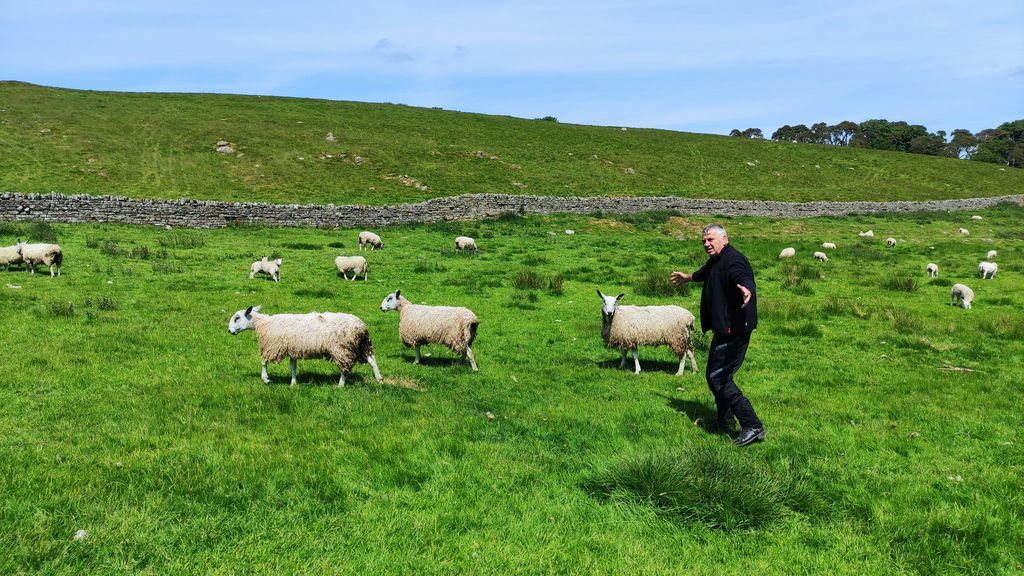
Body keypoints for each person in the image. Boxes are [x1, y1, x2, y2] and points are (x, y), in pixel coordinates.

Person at [670, 223, 765, 447]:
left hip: (735, 329)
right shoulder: (717, 260)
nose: (706, 244)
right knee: (716, 376)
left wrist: (746, 288)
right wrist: (687, 277)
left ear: (725, 238)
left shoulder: (734, 259)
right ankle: (725, 422)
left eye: (710, 240)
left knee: (719, 377)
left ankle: (752, 425)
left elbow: (742, 276)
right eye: (703, 241)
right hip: (724, 328)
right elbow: (706, 272)